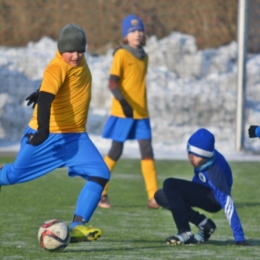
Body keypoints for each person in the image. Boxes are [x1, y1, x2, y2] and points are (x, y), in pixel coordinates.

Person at [0, 24, 110, 243]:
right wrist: (42, 131)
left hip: (76, 136)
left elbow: (61, 86)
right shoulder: (57, 66)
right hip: (47, 136)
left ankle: (78, 226)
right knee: (13, 176)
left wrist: (42, 90)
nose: (76, 55)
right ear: (61, 50)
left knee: (101, 173)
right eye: (71, 51)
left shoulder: (77, 60)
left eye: (80, 50)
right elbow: (47, 99)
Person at [98, 14, 159, 209]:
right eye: (133, 31)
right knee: (116, 151)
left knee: (147, 151)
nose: (137, 34)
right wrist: (123, 102)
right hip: (123, 111)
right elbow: (112, 81)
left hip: (142, 113)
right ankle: (101, 193)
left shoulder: (145, 56)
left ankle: (153, 197)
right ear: (126, 34)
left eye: (140, 30)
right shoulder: (121, 54)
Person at [154, 128, 247, 246]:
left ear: (206, 156)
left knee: (170, 184)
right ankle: (204, 224)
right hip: (203, 191)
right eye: (190, 153)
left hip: (213, 200)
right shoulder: (204, 158)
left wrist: (239, 238)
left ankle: (184, 232)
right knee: (161, 195)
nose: (192, 158)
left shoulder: (215, 173)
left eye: (197, 156)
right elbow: (199, 180)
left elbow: (228, 203)